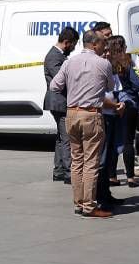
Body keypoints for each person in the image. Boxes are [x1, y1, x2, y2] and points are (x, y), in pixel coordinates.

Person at [50, 30, 119, 218]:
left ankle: (78, 203)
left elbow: (54, 86)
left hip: (72, 113)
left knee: (76, 161)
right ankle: (89, 205)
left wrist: (74, 90)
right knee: (90, 163)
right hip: (91, 115)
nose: (105, 46)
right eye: (103, 43)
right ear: (94, 45)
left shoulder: (69, 62)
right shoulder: (103, 63)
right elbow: (111, 87)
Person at [44, 27, 79, 184]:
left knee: (60, 138)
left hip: (59, 102)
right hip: (59, 102)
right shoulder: (53, 56)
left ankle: (58, 170)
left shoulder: (59, 55)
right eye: (74, 45)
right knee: (67, 138)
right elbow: (63, 79)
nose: (74, 48)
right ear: (67, 42)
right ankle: (68, 172)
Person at [96, 37, 127, 208]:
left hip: (113, 114)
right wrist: (115, 105)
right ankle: (99, 197)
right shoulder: (98, 68)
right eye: (105, 51)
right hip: (102, 116)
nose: (107, 54)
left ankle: (106, 194)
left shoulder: (111, 68)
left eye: (109, 51)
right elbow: (99, 97)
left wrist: (121, 104)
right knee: (102, 159)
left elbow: (117, 90)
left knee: (109, 159)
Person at [112, 36, 139, 186]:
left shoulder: (107, 63)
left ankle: (112, 176)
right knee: (128, 141)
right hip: (129, 104)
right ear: (123, 47)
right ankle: (130, 177)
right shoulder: (128, 63)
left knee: (112, 140)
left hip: (111, 105)